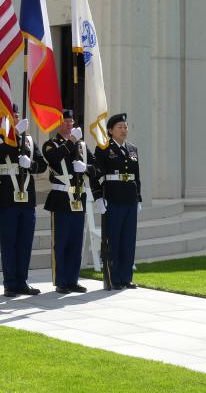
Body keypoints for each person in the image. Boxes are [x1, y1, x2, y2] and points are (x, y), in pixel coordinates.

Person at [0, 104, 48, 297]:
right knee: (9, 241)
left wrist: (31, 164)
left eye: (17, 116)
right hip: (6, 197)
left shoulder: (27, 140)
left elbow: (42, 165)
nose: (15, 119)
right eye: (11, 117)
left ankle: (22, 281)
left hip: (27, 197)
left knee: (25, 242)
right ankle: (9, 283)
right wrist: (13, 138)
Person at [42, 109, 98, 294]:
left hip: (78, 197)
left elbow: (96, 166)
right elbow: (54, 159)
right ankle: (61, 281)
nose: (69, 124)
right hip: (61, 198)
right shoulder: (50, 144)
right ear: (58, 124)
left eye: (71, 121)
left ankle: (73, 279)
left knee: (76, 242)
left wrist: (87, 167)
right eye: (65, 121)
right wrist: (71, 141)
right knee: (61, 242)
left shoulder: (81, 146)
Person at [92, 113, 142, 290]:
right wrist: (98, 197)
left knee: (128, 240)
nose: (124, 130)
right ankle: (114, 278)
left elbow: (137, 176)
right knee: (114, 239)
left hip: (129, 199)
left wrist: (138, 198)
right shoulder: (103, 148)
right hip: (113, 199)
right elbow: (95, 174)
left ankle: (126, 277)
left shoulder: (132, 149)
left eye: (126, 127)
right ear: (111, 130)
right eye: (120, 127)